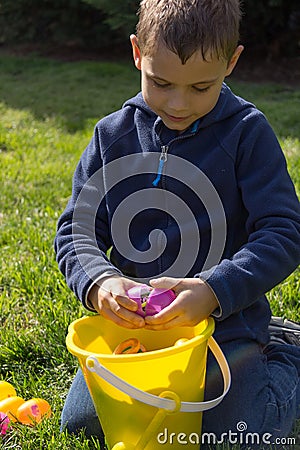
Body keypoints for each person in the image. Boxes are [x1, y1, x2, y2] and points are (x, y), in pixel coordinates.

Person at [54, 0, 300, 448]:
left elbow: (284, 232)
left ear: (232, 62)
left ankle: (284, 354)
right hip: (140, 335)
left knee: (237, 438)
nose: (178, 103)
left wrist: (213, 290)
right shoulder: (112, 137)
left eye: (201, 87)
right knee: (83, 424)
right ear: (136, 53)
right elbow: (77, 231)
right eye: (160, 82)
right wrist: (101, 282)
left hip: (227, 330)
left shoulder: (247, 133)